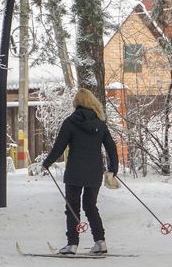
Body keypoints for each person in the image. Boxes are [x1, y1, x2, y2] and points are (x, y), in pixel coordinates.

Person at [42, 88, 120, 255]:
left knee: (72, 207)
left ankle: (72, 244)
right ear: (92, 102)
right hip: (94, 171)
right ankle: (100, 242)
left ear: (76, 103)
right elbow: (111, 147)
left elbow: (59, 146)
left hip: (75, 171)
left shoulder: (70, 122)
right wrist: (113, 168)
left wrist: (47, 163)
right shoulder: (100, 124)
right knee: (90, 206)